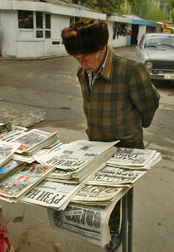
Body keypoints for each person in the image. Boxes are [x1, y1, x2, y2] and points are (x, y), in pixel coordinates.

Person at [61, 18, 160, 252]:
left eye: (85, 57)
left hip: (126, 147)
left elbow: (150, 104)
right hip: (96, 145)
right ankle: (109, 227)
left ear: (102, 49)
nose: (82, 63)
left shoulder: (130, 70)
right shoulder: (83, 71)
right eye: (77, 58)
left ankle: (117, 231)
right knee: (100, 194)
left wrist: (135, 127)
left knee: (122, 197)